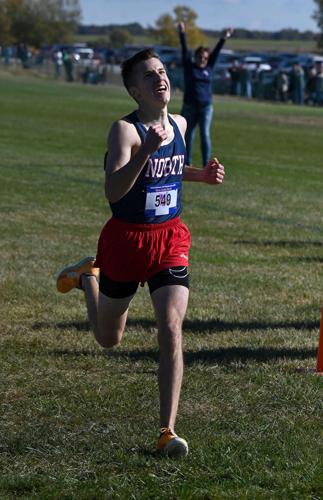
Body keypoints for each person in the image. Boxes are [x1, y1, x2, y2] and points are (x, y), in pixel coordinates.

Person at [56, 48, 225, 458]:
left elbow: (173, 163)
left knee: (171, 329)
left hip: (170, 238)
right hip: (126, 241)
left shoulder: (181, 123)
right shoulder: (124, 131)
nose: (160, 79)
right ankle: (87, 278)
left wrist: (198, 175)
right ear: (135, 90)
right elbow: (114, 191)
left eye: (162, 72)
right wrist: (145, 150)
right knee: (108, 338)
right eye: (149, 76)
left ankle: (167, 430)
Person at [178, 22, 233, 166]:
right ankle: (187, 163)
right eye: (200, 56)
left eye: (205, 57)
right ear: (196, 56)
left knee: (205, 134)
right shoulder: (190, 68)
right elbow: (184, 51)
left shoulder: (209, 67)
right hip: (190, 106)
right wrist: (182, 33)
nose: (203, 59)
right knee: (188, 135)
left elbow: (216, 53)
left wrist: (223, 37)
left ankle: (206, 164)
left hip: (206, 107)